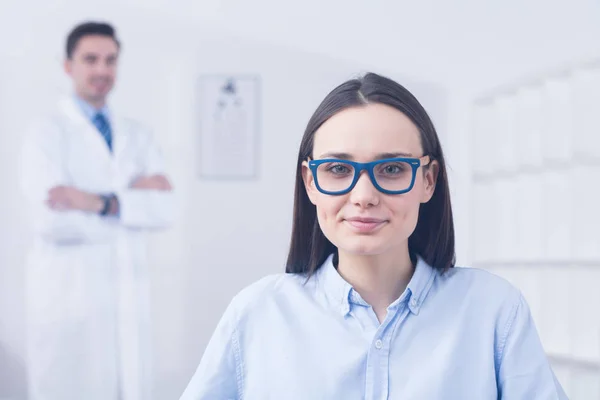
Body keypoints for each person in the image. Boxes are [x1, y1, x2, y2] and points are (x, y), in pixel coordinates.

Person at [179, 73, 567, 399]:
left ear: (427, 180)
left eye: (393, 169)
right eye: (337, 170)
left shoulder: (494, 311)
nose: (364, 196)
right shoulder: (256, 314)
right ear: (310, 182)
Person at [19, 21, 175, 400]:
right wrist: (130, 203)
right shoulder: (46, 133)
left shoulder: (137, 134)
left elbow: (165, 208)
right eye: (91, 59)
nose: (102, 70)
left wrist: (94, 201)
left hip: (126, 302)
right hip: (69, 304)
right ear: (68, 65)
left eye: (110, 60)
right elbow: (52, 221)